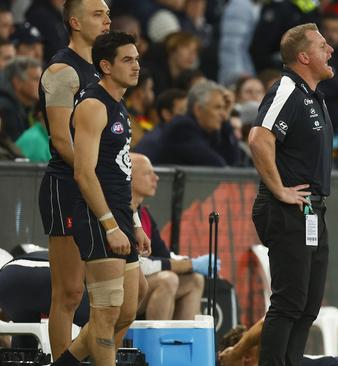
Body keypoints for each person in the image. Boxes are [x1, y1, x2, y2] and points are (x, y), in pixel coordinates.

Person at [53, 31, 149, 366]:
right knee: (106, 316)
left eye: (136, 59)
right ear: (106, 66)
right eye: (127, 59)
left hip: (121, 213)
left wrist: (133, 222)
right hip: (98, 216)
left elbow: (120, 170)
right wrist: (109, 225)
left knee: (127, 309)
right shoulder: (93, 105)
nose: (136, 65)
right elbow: (84, 173)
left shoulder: (119, 103)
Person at [248, 23, 334, 366]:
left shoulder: (313, 96)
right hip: (288, 209)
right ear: (303, 56)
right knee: (289, 302)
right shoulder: (286, 87)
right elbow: (258, 138)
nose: (330, 51)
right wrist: (279, 189)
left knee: (309, 304)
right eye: (323, 46)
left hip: (312, 209)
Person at [37, 0, 109, 360]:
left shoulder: (102, 71)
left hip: (97, 185)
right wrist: (97, 175)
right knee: (68, 293)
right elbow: (61, 140)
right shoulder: (63, 70)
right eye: (99, 14)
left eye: (108, 13)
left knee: (114, 293)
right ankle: (61, 359)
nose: (108, 20)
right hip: (67, 186)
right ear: (75, 22)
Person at [130, 153, 211, 320]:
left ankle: (183, 341)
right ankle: (155, 343)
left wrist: (190, 263)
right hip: (125, 287)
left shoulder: (144, 213)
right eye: (147, 173)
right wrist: (190, 264)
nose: (156, 178)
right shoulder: (122, 214)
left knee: (195, 279)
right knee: (168, 279)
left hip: (141, 285)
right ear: (129, 178)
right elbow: (141, 266)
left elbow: (163, 255)